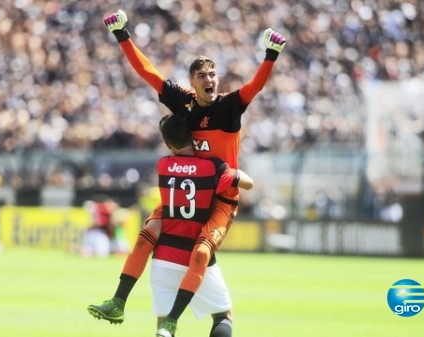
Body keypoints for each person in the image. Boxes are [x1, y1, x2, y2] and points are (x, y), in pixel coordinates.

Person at [88, 8, 285, 330]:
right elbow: (147, 72)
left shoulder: (229, 106)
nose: (210, 80)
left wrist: (271, 55)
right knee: (145, 235)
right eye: (202, 76)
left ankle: (171, 323)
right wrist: (122, 35)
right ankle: (118, 301)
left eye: (212, 75)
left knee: (200, 255)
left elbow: (255, 86)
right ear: (192, 82)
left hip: (221, 196)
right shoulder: (185, 104)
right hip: (185, 189)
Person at [91, 114, 253, 336]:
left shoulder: (164, 165)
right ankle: (172, 321)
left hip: (163, 258)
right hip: (195, 255)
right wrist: (230, 172)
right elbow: (247, 184)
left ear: (168, 144)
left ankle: (120, 300)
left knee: (163, 328)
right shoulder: (212, 167)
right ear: (193, 137)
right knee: (223, 316)